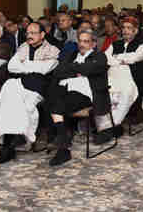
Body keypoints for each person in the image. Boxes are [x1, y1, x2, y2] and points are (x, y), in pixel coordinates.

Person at [0, 22, 60, 164]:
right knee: (8, 93)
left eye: (33, 33)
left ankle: (11, 143)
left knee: (21, 102)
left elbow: (45, 69)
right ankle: (9, 144)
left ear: (42, 35)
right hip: (20, 83)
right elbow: (12, 67)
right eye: (27, 33)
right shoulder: (23, 47)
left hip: (39, 88)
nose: (29, 36)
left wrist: (24, 65)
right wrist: (33, 66)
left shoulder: (52, 49)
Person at [46, 29, 110, 166]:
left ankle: (63, 147)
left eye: (86, 41)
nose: (82, 44)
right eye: (80, 41)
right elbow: (58, 71)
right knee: (50, 100)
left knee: (56, 106)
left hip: (86, 95)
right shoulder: (72, 54)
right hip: (65, 91)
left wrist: (72, 68)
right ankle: (62, 140)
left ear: (93, 44)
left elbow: (88, 69)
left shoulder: (99, 56)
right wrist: (78, 69)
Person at [100, 17, 143, 143]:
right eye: (124, 28)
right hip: (113, 76)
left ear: (135, 31)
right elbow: (106, 58)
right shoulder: (115, 43)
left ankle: (113, 125)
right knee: (104, 91)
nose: (125, 31)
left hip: (132, 78)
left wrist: (117, 58)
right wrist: (123, 59)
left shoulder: (142, 44)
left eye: (129, 28)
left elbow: (136, 57)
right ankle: (106, 126)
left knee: (125, 93)